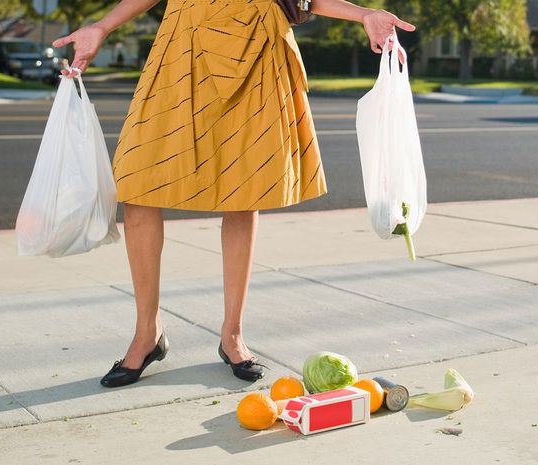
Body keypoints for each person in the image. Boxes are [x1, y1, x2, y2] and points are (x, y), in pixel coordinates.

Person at [52, 0, 414, 387]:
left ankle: (233, 335)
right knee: (138, 187)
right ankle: (147, 334)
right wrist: (103, 26)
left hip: (258, 48)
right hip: (183, 45)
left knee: (245, 191)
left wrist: (363, 14)